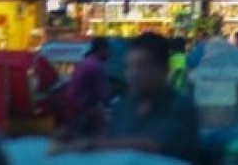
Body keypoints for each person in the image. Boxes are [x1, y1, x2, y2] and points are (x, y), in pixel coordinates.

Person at [53, 32, 199, 162]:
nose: (134, 74)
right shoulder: (124, 106)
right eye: (130, 66)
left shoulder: (181, 107)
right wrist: (78, 139)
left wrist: (93, 145)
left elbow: (156, 145)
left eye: (142, 66)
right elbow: (112, 140)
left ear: (163, 68)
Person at [65, 37, 110, 136]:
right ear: (102, 50)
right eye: (107, 51)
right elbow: (104, 95)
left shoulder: (85, 61)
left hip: (72, 105)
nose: (109, 54)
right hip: (82, 109)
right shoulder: (97, 66)